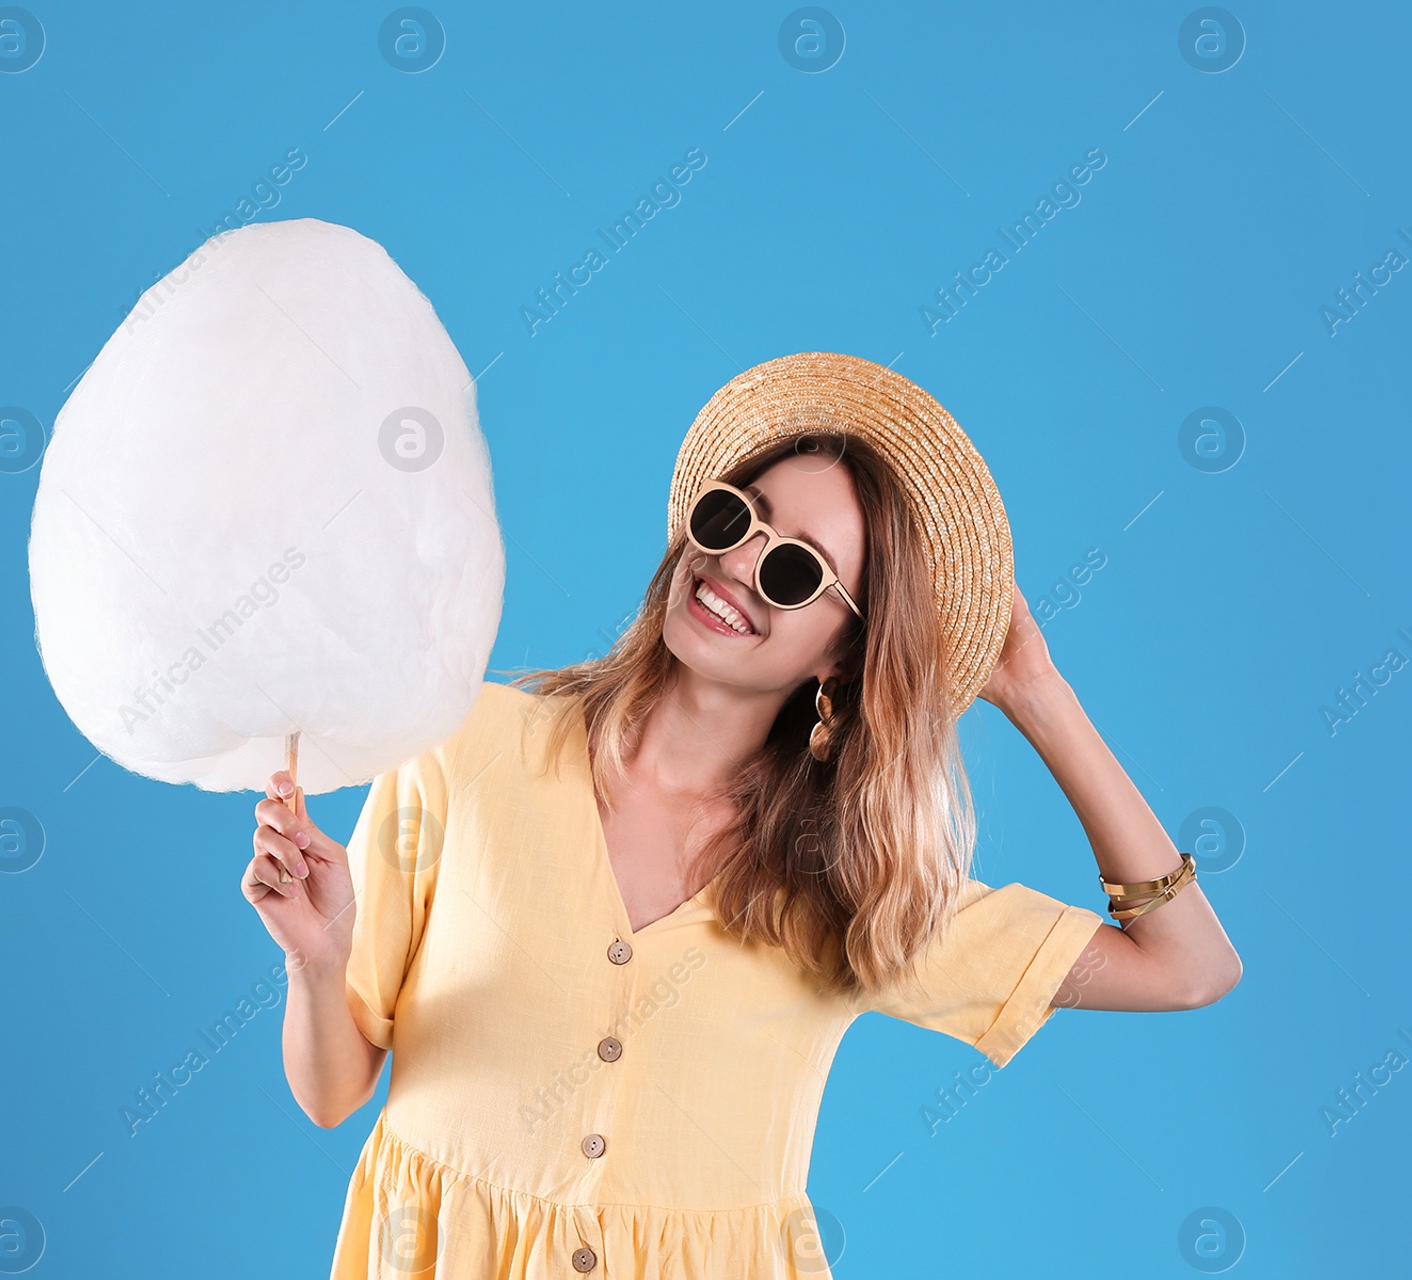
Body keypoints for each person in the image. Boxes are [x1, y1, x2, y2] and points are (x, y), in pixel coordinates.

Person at [242, 353, 1242, 1278]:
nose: (735, 565)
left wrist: (1042, 699)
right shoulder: (460, 747)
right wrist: (319, 955)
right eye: (734, 518)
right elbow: (332, 1094)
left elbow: (1189, 965)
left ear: (840, 653)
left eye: (796, 569)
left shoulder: (855, 880)